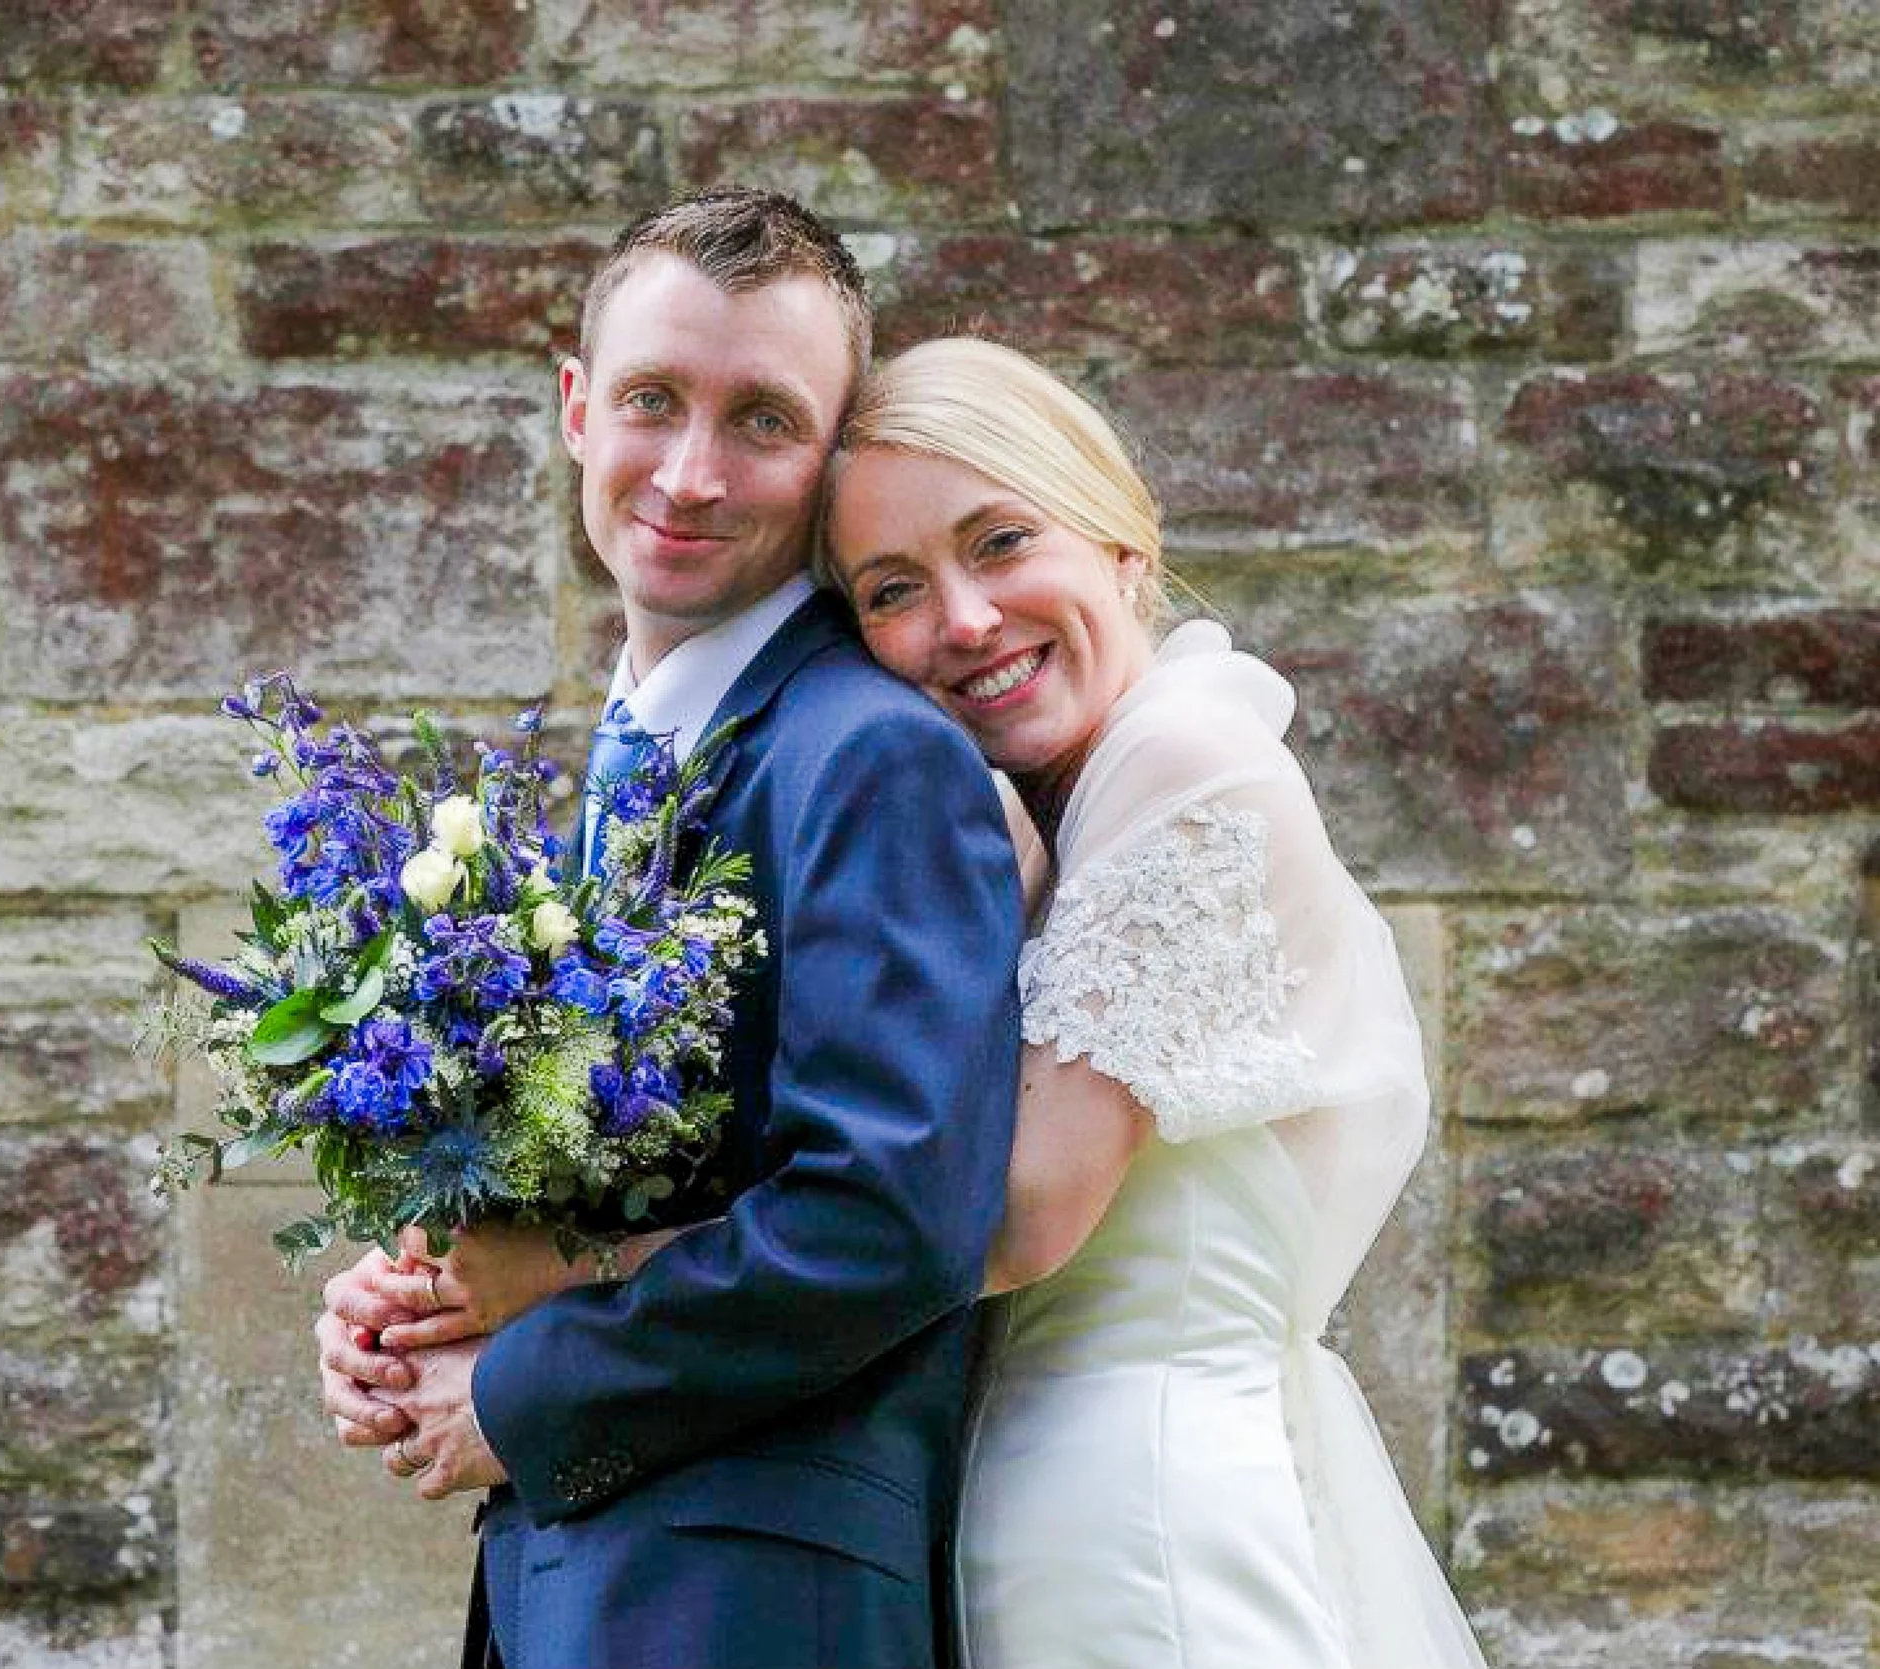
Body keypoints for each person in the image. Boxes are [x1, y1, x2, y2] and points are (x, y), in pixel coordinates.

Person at [357, 334, 1491, 1667]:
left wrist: (553, 1283)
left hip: (1131, 1510)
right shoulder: (1047, 814)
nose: (960, 620)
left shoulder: (1184, 763)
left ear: (1126, 543)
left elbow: (1002, 1220)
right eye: (896, 589)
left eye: (1003, 541)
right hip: (1011, 1497)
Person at [314, 194, 1026, 1669]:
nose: (690, 474)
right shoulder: (631, 762)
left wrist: (523, 1392)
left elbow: (882, 1222)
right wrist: (418, 1294)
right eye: (653, 401)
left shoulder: (870, 757)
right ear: (578, 410)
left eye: (762, 420)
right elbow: (627, 1185)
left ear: (830, 463)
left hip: (754, 1602)